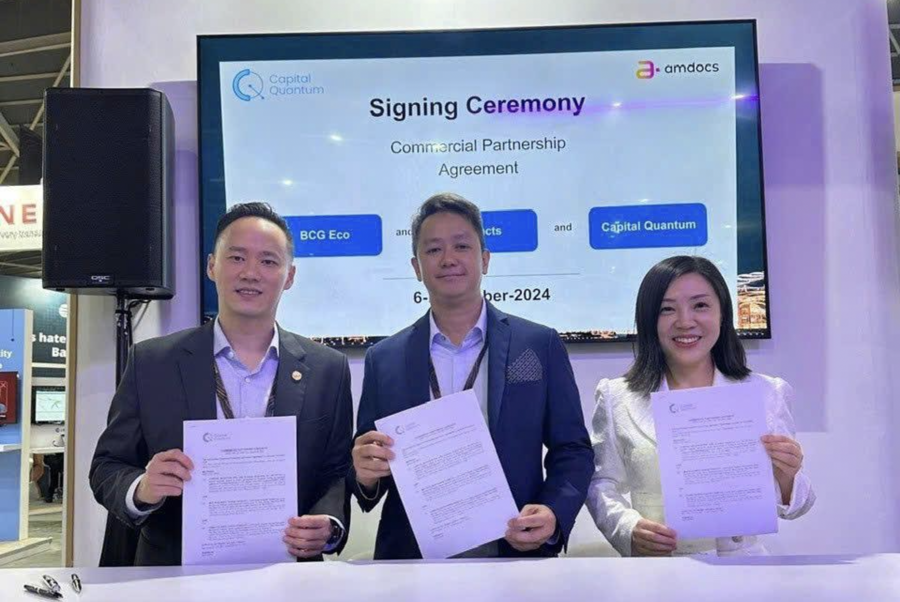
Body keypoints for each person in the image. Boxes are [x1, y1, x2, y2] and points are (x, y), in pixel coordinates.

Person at [90, 202, 352, 566]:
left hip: (288, 575)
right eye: (237, 258)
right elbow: (108, 465)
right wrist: (143, 489)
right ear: (212, 265)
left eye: (268, 261)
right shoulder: (152, 363)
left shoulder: (328, 368)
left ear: (289, 276)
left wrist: (330, 525)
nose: (250, 273)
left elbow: (334, 472)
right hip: (175, 575)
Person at [350, 192, 593, 559]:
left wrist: (554, 512)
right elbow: (370, 471)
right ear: (416, 267)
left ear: (485, 259)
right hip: (411, 564)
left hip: (513, 553)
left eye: (461, 246)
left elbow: (573, 449)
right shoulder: (384, 359)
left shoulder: (538, 344)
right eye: (433, 250)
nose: (448, 259)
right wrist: (365, 475)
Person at [587, 255, 814, 557]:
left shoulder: (766, 393)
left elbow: (796, 507)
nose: (684, 321)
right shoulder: (617, 396)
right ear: (648, 319)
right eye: (667, 309)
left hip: (745, 573)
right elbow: (601, 482)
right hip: (658, 571)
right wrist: (627, 529)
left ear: (723, 314)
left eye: (700, 305)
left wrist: (787, 476)